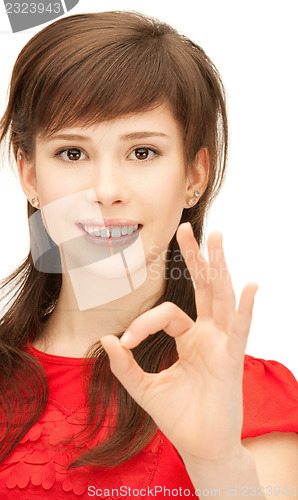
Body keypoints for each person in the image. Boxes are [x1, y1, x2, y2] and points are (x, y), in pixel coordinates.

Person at [0, 10, 297, 500]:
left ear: (194, 177)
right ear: (30, 176)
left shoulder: (252, 398)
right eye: (72, 153)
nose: (107, 190)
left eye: (143, 153)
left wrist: (216, 461)